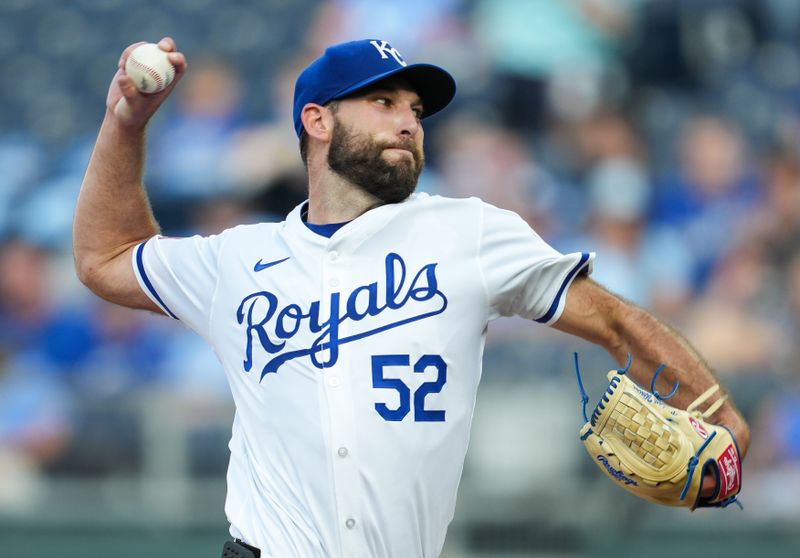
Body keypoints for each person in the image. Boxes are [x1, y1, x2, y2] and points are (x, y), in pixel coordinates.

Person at [74, 38, 750, 558]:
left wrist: (719, 412)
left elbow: (613, 319)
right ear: (317, 119)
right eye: (384, 102)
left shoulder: (468, 232)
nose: (408, 122)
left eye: (416, 110)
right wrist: (125, 124)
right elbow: (103, 259)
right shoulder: (238, 260)